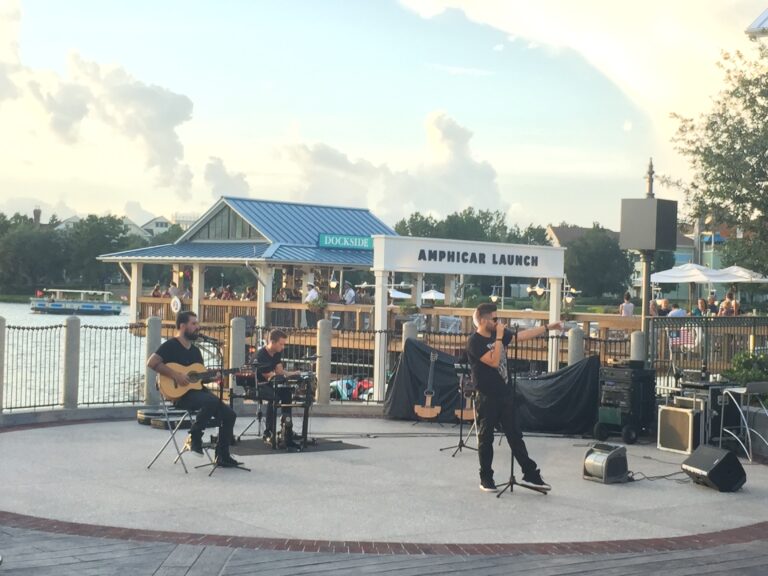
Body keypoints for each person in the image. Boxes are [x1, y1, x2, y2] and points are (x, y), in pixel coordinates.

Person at [467, 303, 561, 493]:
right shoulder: (474, 341)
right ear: (483, 320)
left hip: (505, 393)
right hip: (487, 396)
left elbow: (521, 336)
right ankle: (486, 478)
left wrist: (547, 327)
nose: (498, 322)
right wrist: (499, 337)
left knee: (515, 435)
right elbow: (494, 362)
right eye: (494, 319)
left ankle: (530, 473)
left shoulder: (498, 334)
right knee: (486, 438)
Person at [146, 311, 240, 467]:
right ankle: (194, 437)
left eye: (197, 323)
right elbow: (152, 362)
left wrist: (213, 377)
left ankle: (222, 456)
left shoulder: (196, 351)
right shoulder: (170, 345)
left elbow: (198, 378)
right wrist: (176, 375)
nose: (198, 327)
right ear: (183, 326)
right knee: (210, 402)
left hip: (198, 393)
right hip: (180, 396)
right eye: (194, 323)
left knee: (230, 415)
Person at [252, 329, 299, 447]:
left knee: (287, 394)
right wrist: (280, 376)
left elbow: (279, 372)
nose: (283, 347)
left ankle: (287, 430)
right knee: (274, 397)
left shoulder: (277, 353)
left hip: (270, 383)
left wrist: (294, 374)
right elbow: (269, 376)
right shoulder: (260, 355)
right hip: (258, 385)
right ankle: (269, 431)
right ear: (272, 342)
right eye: (281, 344)